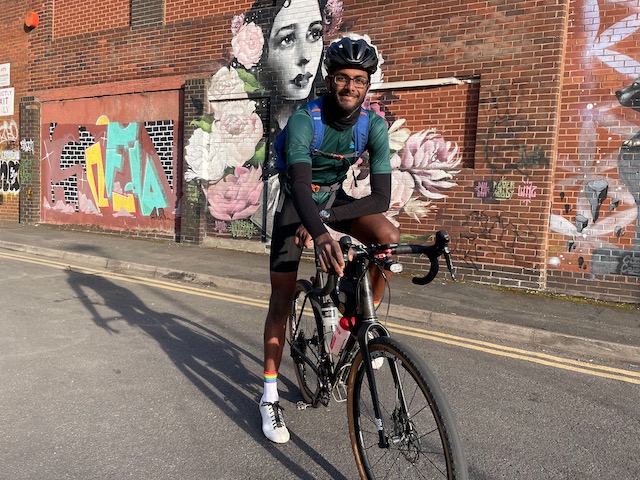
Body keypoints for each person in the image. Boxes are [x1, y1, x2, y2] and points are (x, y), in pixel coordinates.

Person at [259, 37, 399, 443]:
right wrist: (319, 232)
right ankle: (269, 398)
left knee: (388, 237)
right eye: (342, 78)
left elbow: (380, 198)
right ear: (329, 78)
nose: (350, 86)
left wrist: (325, 218)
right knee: (281, 299)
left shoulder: (372, 125)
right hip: (296, 199)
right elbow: (301, 186)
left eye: (359, 79)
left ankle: (358, 325)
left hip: (333, 199)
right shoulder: (307, 119)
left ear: (368, 85)